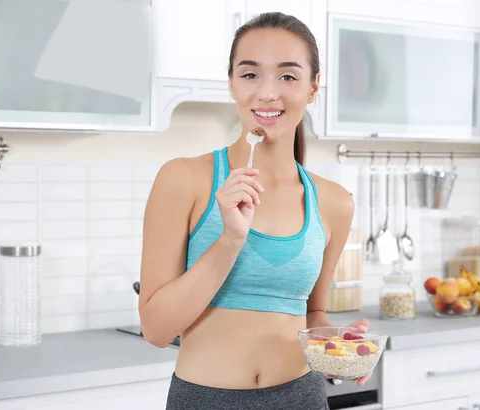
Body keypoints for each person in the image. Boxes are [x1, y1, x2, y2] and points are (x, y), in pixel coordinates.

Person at [138, 12, 373, 410]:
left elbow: (312, 311)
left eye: (287, 76)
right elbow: (156, 330)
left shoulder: (334, 203)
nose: (267, 93)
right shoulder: (184, 180)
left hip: (303, 397)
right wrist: (230, 239)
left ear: (313, 87)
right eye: (250, 75)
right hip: (204, 399)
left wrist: (336, 347)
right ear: (231, 83)